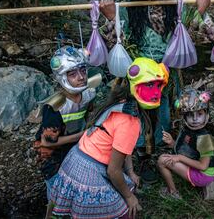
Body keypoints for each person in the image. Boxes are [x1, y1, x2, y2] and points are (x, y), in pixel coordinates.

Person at [99, 0, 214, 184]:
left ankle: (163, 154)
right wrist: (112, 17)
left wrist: (200, 12)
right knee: (136, 114)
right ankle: (138, 156)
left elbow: (200, 37)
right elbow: (115, 44)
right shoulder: (130, 7)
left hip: (167, 74)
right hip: (137, 76)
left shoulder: (177, 6)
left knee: (164, 112)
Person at [47, 57, 169, 218]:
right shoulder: (130, 121)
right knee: (126, 211)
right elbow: (113, 170)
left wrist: (130, 172)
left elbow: (120, 148)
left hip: (75, 160)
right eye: (149, 84)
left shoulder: (119, 103)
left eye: (158, 85)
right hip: (90, 170)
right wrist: (128, 197)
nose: (155, 91)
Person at [33, 46, 97, 219]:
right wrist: (82, 134)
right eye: (72, 73)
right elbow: (46, 142)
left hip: (73, 150)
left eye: (83, 70)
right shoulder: (55, 106)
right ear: (62, 77)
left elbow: (89, 111)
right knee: (56, 196)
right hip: (51, 156)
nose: (81, 77)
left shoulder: (89, 92)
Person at [157, 87, 214, 200]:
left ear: (207, 114)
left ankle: (173, 193)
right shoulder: (191, 130)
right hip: (210, 171)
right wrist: (172, 142)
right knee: (171, 158)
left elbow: (203, 166)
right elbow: (190, 150)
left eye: (199, 114)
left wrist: (180, 157)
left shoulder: (205, 138)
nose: (195, 119)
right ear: (185, 116)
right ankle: (208, 185)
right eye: (191, 115)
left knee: (162, 160)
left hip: (204, 173)